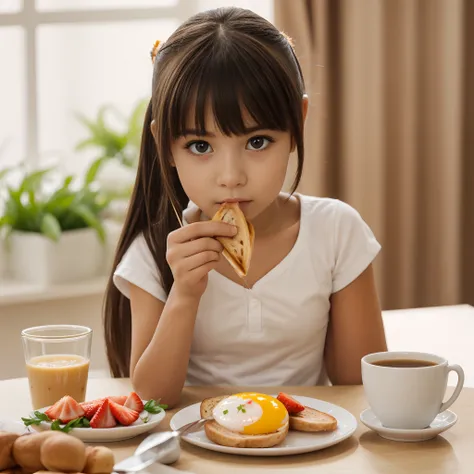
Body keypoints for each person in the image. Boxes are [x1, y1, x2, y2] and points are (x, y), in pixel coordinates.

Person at [103, 6, 387, 408]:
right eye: (200, 146)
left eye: (257, 142)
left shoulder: (336, 232)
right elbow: (151, 398)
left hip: (306, 452)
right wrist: (184, 293)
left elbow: (356, 385)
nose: (231, 176)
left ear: (297, 124)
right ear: (164, 143)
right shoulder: (155, 248)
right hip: (199, 459)